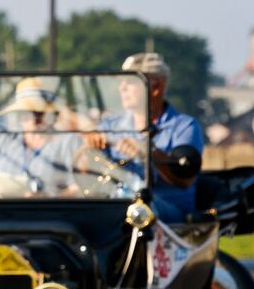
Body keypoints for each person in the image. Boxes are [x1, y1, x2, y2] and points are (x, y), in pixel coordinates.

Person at [84, 52, 205, 221]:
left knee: (141, 208)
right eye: (121, 81)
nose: (122, 88)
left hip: (168, 213)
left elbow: (184, 179)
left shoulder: (184, 127)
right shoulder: (111, 125)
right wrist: (88, 145)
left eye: (130, 81)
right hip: (118, 204)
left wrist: (148, 153)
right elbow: (82, 167)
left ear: (156, 87)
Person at [0, 78, 81, 199]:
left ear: (51, 115)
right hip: (1, 212)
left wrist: (47, 198)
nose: (33, 119)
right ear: (18, 116)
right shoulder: (2, 139)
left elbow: (79, 188)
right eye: (25, 112)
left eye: (39, 113)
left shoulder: (68, 142)